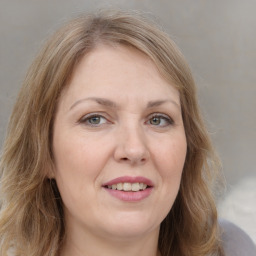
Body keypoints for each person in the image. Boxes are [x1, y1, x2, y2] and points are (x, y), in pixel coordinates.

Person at [0, 10, 255, 256]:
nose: (134, 149)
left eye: (158, 119)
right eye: (95, 119)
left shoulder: (232, 249)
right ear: (43, 152)